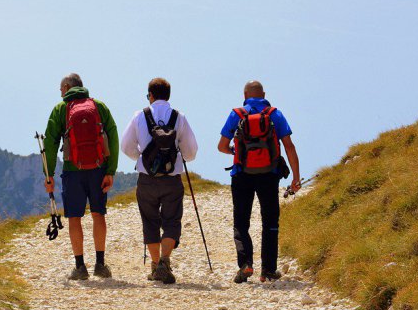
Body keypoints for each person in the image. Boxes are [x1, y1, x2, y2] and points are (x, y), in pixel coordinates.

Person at [217, 80, 300, 283]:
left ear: (244, 95)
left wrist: (235, 152)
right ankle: (268, 270)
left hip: (241, 174)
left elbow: (221, 146)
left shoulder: (236, 114)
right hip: (269, 174)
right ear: (264, 94)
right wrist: (296, 177)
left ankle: (246, 265)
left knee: (241, 222)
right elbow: (289, 146)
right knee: (270, 221)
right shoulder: (275, 114)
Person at [121, 77, 198, 284]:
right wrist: (181, 157)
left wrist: (140, 158)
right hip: (172, 179)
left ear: (151, 95)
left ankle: (156, 266)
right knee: (172, 220)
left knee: (150, 220)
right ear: (168, 95)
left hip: (147, 178)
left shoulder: (139, 116)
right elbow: (191, 150)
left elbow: (126, 146)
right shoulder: (178, 117)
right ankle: (165, 261)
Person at [43, 73, 119, 280]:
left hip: (73, 171)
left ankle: (80, 267)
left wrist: (48, 174)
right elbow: (112, 137)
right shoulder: (99, 106)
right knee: (98, 214)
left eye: (60, 90)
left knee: (74, 217)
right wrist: (110, 171)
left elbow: (50, 144)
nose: (60, 94)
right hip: (98, 169)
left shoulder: (60, 110)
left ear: (67, 87)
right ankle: (100, 265)